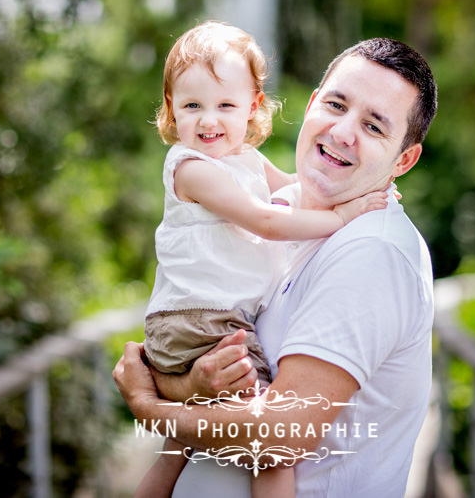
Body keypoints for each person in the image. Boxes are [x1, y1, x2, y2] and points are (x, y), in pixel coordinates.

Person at [115, 35, 437, 497]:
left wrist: (149, 407)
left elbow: (279, 436)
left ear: (403, 159)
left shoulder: (372, 251)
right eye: (336, 104)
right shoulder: (279, 211)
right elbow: (195, 350)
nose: (343, 132)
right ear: (310, 105)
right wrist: (189, 385)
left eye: (374, 127)